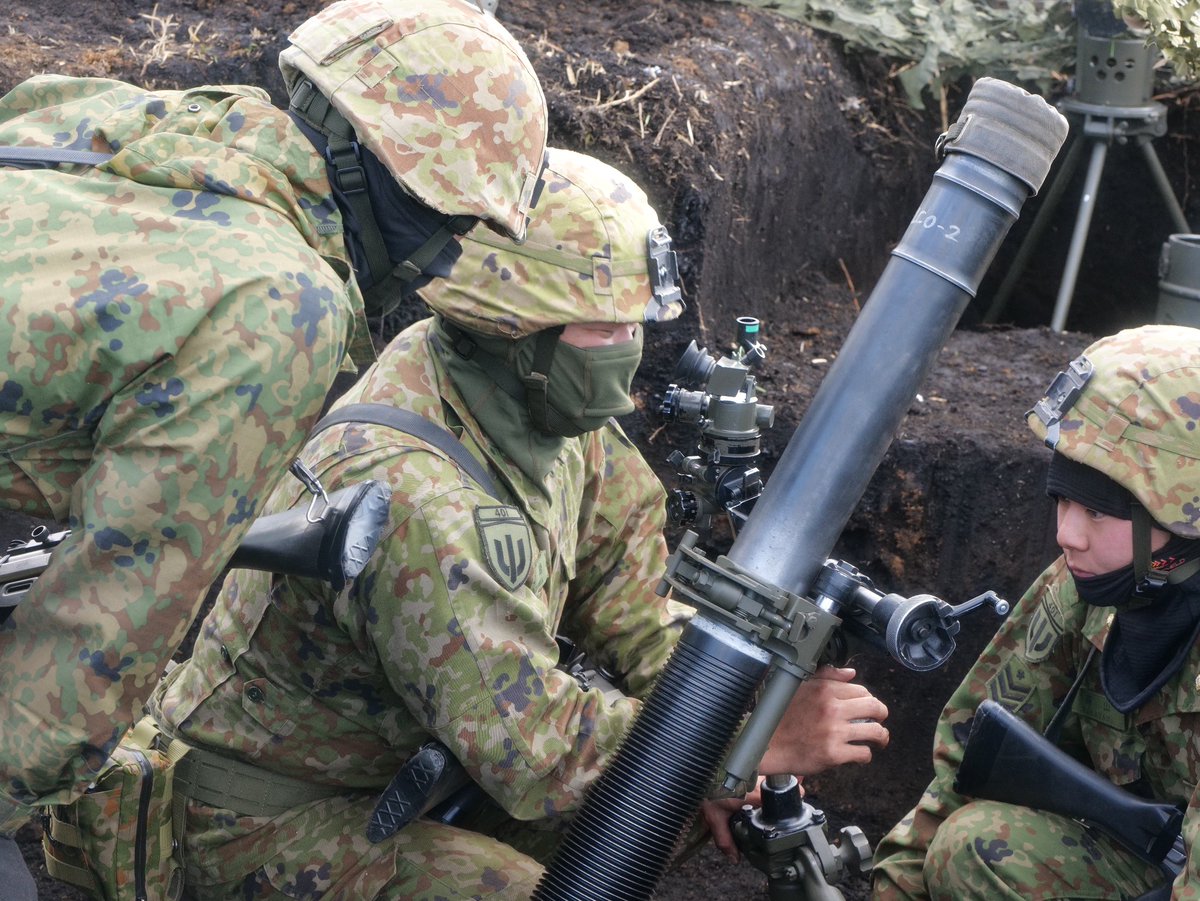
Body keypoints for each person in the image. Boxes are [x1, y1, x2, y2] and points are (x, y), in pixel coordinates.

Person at [138, 146, 891, 899]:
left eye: (632, 324)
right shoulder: (414, 491)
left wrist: (735, 752)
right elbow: (537, 753)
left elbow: (638, 613)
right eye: (601, 327)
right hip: (263, 824)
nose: (627, 350)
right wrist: (747, 743)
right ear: (513, 327)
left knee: (667, 803)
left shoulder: (545, 411)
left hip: (418, 775)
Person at [0, 0, 548, 882]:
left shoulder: (98, 114)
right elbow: (94, 648)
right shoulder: (281, 308)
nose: (445, 264)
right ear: (375, 172)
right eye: (444, 220)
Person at [872, 323, 1200, 900]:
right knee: (975, 848)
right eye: (1062, 498)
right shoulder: (1086, 584)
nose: (1067, 535)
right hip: (1150, 857)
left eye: (1099, 512)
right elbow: (974, 751)